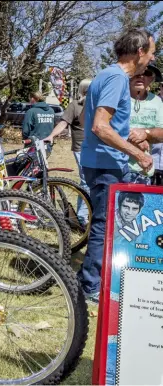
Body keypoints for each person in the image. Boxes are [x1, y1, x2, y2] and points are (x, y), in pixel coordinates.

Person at [77, 28, 155, 304]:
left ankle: (91, 280)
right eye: (152, 52)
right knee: (104, 224)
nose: (152, 59)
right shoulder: (116, 78)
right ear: (139, 52)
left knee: (106, 223)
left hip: (102, 160)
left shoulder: (108, 75)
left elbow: (104, 123)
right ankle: (90, 287)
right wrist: (138, 153)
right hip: (104, 164)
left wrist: (133, 139)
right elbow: (100, 126)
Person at [44, 78, 93, 226]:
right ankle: (83, 218)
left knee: (93, 182)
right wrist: (51, 135)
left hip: (98, 148)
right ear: (85, 90)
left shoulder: (98, 105)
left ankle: (89, 215)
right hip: (81, 148)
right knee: (86, 182)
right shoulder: (75, 106)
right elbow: (64, 123)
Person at [127, 65, 163, 184]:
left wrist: (145, 134)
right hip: (114, 166)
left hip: (143, 169)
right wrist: (135, 138)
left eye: (146, 73)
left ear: (151, 79)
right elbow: (105, 127)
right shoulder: (118, 97)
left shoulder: (157, 102)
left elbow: (161, 132)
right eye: (136, 72)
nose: (141, 76)